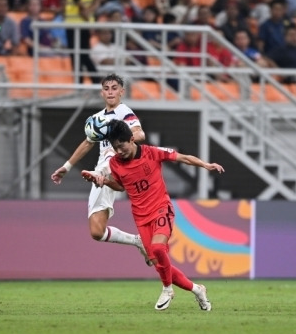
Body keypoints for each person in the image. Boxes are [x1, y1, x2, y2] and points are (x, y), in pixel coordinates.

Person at [82, 119, 223, 311]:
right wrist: (104, 182)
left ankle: (167, 289)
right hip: (141, 217)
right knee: (162, 267)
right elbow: (121, 186)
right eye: (115, 148)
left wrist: (205, 165)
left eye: (121, 146)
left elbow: (183, 158)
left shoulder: (152, 152)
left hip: (161, 208)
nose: (119, 151)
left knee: (158, 248)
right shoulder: (115, 163)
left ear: (132, 140)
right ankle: (197, 289)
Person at [50, 74, 150, 266]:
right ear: (101, 92)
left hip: (114, 166)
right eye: (107, 88)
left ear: (122, 91)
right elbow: (88, 143)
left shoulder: (124, 112)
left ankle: (102, 174)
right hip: (102, 169)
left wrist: (121, 139)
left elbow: (140, 133)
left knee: (107, 162)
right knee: (97, 231)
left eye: (114, 88)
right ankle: (137, 241)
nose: (110, 91)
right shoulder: (96, 119)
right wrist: (66, 166)